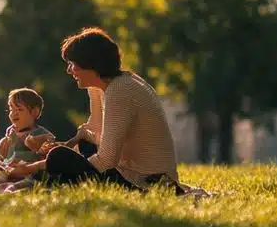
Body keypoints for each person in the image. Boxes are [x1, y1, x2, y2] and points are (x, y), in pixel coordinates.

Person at [9, 28, 179, 190]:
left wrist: (35, 166)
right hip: (124, 170)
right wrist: (71, 144)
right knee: (71, 152)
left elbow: (106, 160)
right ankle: (45, 177)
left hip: (146, 181)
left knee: (58, 156)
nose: (69, 70)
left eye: (72, 64)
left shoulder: (120, 89)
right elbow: (96, 133)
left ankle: (37, 176)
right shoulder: (100, 86)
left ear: (89, 64)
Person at [0, 88, 56, 166]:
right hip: (12, 163)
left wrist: (43, 144)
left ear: (35, 112)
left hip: (32, 166)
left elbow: (51, 142)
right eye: (11, 109)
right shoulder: (11, 130)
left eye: (20, 109)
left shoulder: (38, 132)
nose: (14, 113)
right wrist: (9, 144)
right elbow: (9, 154)